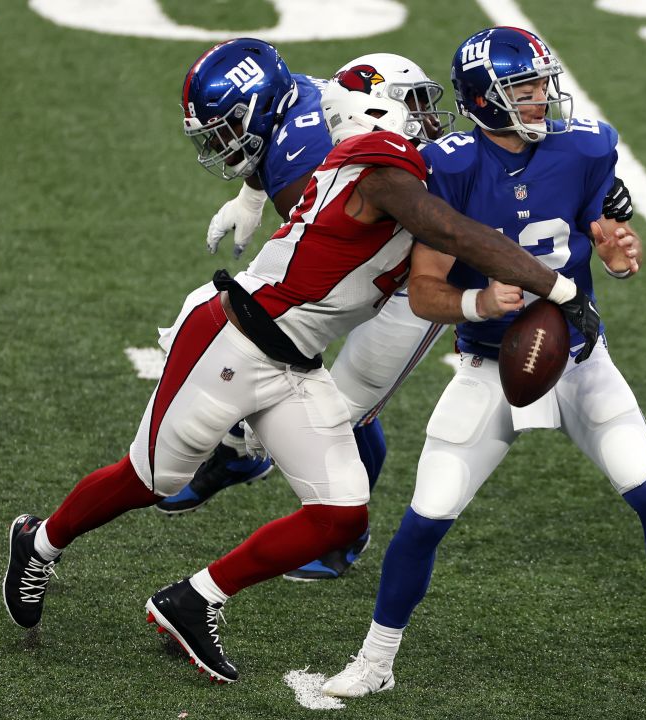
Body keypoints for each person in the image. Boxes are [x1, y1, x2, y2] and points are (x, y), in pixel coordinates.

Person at [1, 38, 603, 685]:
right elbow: (454, 232)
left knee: (341, 515)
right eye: (417, 109)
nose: (432, 123)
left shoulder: (379, 157)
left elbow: (451, 247)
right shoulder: (381, 165)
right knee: (148, 479)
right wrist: (559, 287)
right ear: (380, 114)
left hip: (295, 364)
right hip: (233, 343)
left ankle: (194, 599)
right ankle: (39, 542)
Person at [321, 26, 646, 697]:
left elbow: (601, 232)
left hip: (581, 360)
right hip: (488, 368)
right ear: (485, 99)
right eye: (524, 88)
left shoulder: (586, 147)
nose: (541, 98)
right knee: (427, 516)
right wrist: (479, 302)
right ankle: (376, 661)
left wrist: (616, 256)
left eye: (540, 84)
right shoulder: (447, 168)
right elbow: (426, 290)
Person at [157, 46, 455, 582]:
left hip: (417, 275)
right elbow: (273, 139)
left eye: (228, 132)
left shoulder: (307, 160)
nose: (222, 147)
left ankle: (346, 533)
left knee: (337, 404)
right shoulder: (298, 95)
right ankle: (241, 453)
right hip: (364, 257)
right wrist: (252, 196)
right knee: (271, 348)